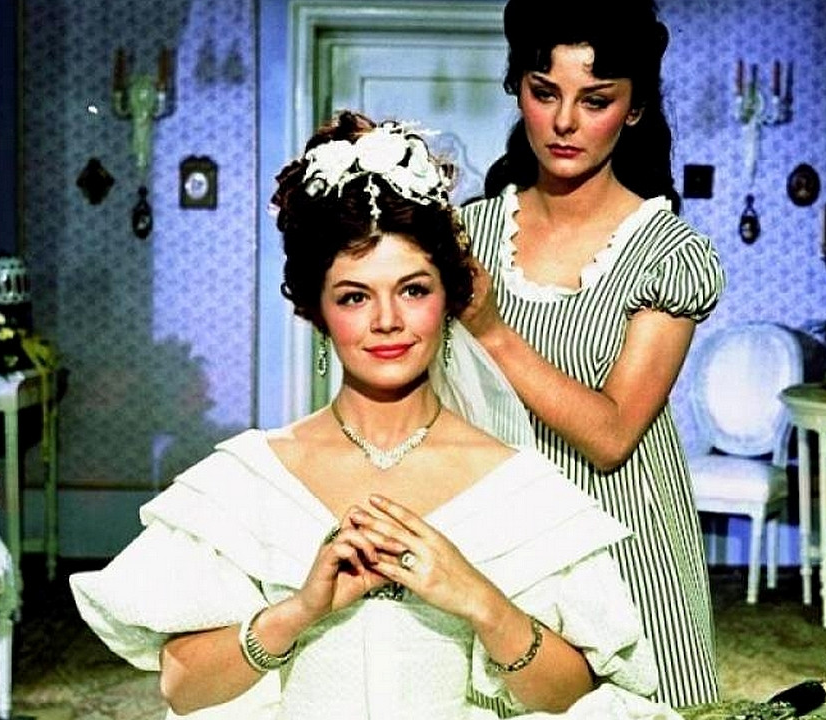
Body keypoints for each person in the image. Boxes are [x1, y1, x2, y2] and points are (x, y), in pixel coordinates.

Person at [70, 111, 684, 719]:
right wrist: (302, 610)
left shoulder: (515, 485)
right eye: (354, 296)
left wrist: (479, 600)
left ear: (449, 296)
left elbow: (573, 697)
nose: (387, 321)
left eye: (413, 290)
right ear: (317, 311)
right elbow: (182, 689)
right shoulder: (250, 478)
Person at [458, 0, 726, 707]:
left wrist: (492, 331)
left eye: (596, 100)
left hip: (623, 546)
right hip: (499, 541)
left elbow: (611, 436)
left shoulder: (668, 253)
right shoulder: (464, 236)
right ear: (518, 89)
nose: (565, 122)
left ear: (634, 110)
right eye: (544, 92)